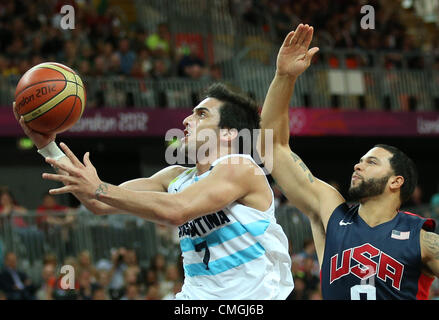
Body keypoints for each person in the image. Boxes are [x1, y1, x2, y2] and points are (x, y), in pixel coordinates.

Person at [13, 84, 294, 300]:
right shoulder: (174, 177)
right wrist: (47, 146)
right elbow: (98, 202)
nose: (186, 119)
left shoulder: (241, 167)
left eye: (201, 114)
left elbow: (176, 210)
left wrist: (98, 188)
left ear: (229, 133)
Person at [260, 23, 439, 300]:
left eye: (371, 162)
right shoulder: (330, 212)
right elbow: (272, 148)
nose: (358, 166)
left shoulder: (421, 237)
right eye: (360, 160)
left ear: (396, 181)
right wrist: (284, 77)